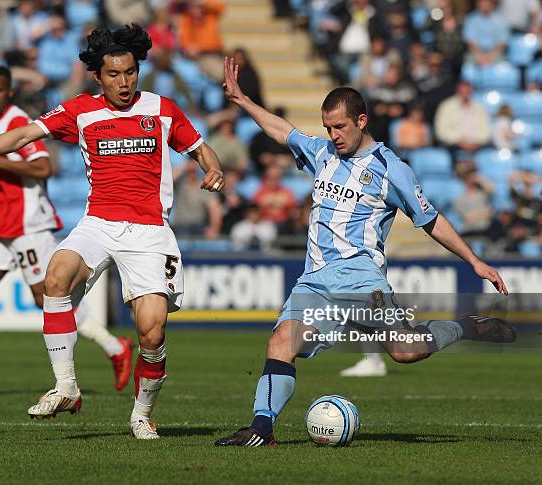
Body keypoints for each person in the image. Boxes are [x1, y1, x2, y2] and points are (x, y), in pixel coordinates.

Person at [0, 25, 224, 439]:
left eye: (130, 72)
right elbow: (21, 135)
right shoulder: (80, 111)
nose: (124, 82)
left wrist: (212, 168)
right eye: (114, 74)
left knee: (152, 331)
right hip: (99, 223)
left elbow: (199, 147)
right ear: (98, 76)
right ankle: (66, 386)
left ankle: (142, 414)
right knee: (56, 276)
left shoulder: (162, 108)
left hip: (149, 231)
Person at [214, 58, 514, 447]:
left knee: (405, 351)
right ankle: (261, 429)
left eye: (340, 127)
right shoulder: (322, 154)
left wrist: (475, 261)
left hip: (362, 281)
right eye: (327, 128)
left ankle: (467, 326)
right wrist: (242, 100)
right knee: (281, 341)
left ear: (361, 121)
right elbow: (282, 132)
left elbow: (431, 219)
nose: (333, 135)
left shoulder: (391, 168)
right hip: (315, 283)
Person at [0, 66, 133, 396]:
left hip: (28, 223)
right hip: (3, 220)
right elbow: (12, 169)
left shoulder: (15, 121)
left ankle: (115, 347)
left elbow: (43, 167)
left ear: (10, 91)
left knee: (47, 297)